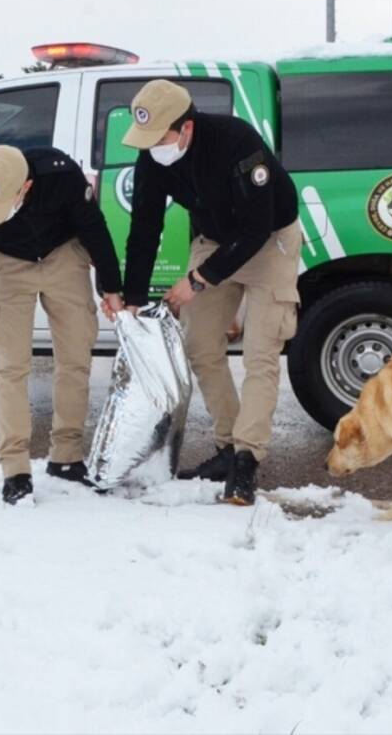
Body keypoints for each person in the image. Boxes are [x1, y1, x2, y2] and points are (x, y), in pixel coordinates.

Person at [110, 80, 302, 505]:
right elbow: (144, 229)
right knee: (199, 345)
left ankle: (247, 461)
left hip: (270, 239)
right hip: (215, 239)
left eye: (160, 137)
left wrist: (199, 279)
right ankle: (229, 447)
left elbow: (255, 228)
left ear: (187, 128)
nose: (152, 147)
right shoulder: (153, 158)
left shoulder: (238, 143)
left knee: (260, 353)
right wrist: (135, 298)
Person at [0, 145, 124, 505]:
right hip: (8, 266)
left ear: (25, 187)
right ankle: (15, 469)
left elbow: (94, 229)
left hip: (62, 255)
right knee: (11, 366)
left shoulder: (61, 176)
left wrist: (111, 287)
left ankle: (67, 456)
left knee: (75, 357)